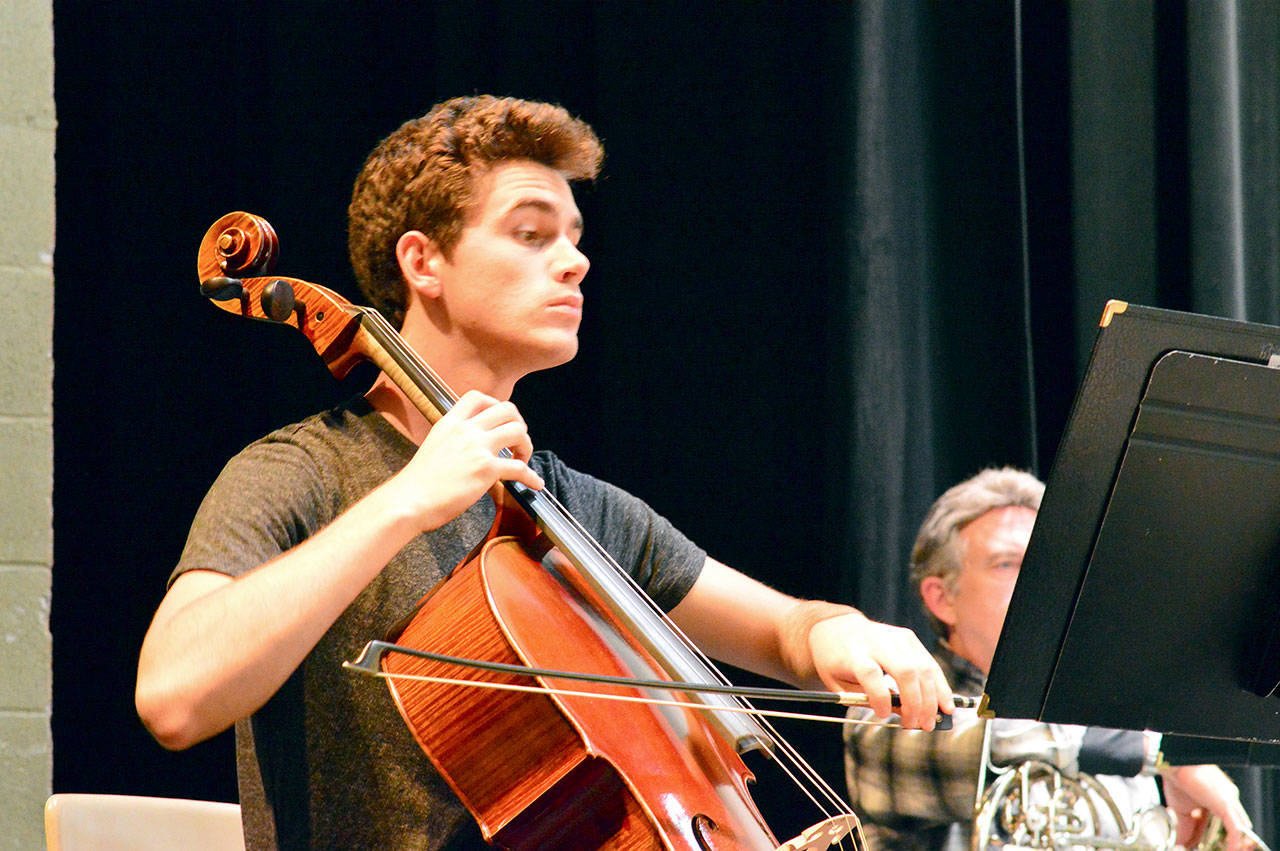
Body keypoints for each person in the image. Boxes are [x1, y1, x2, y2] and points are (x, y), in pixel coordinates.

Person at [134, 95, 955, 849]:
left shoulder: (574, 509)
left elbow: (784, 633)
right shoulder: (301, 473)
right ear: (423, 261)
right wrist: (406, 501)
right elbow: (174, 695)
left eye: (574, 238)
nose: (574, 262)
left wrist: (839, 632)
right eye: (532, 234)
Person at [843, 467, 1258, 851]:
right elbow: (985, 743)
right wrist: (1163, 755)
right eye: (1007, 564)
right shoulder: (882, 708)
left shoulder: (1109, 723)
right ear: (942, 598)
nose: (1040, 584)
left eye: (1049, 565)